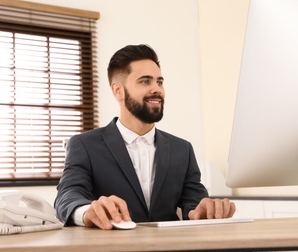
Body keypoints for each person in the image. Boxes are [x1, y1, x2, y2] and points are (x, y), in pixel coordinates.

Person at [54, 44, 235, 231]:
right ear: (118, 91)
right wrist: (87, 211)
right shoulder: (85, 145)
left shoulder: (182, 149)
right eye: (145, 81)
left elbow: (195, 205)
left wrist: (204, 210)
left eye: (160, 82)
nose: (157, 89)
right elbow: (67, 196)